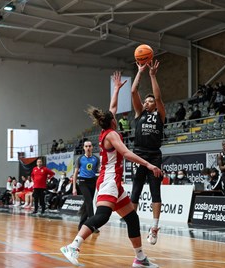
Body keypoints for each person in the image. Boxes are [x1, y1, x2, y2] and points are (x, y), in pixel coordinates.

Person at [60, 70, 160, 267]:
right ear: (113, 121)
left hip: (114, 182)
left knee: (132, 218)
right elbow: (127, 153)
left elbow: (112, 106)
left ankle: (140, 259)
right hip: (108, 181)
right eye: (114, 115)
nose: (115, 113)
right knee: (102, 216)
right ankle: (73, 246)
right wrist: (148, 164)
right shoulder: (112, 135)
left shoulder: (108, 127)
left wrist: (116, 89)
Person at [130, 59, 166, 245]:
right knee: (135, 190)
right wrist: (140, 72)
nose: (147, 102)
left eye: (150, 100)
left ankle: (154, 227)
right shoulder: (139, 113)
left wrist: (152, 75)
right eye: (146, 100)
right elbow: (133, 91)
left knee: (155, 191)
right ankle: (132, 222)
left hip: (154, 155)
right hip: (139, 155)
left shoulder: (159, 115)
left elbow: (159, 98)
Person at [72, 140, 100, 231]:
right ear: (84, 148)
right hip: (83, 182)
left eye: (89, 146)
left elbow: (99, 170)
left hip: (92, 182)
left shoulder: (96, 159)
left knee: (87, 204)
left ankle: (81, 224)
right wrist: (74, 188)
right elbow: (75, 173)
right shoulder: (79, 159)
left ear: (92, 147)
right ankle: (93, 225)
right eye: (86, 146)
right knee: (89, 203)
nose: (88, 148)